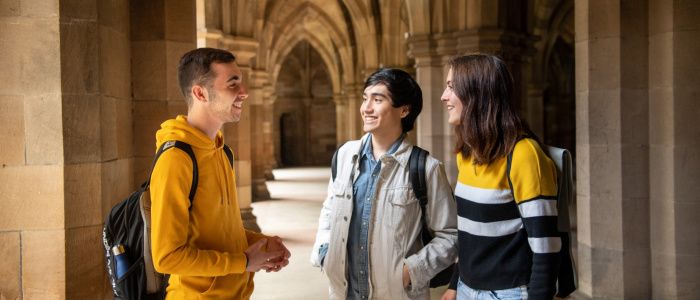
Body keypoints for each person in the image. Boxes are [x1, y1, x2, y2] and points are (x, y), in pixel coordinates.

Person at [149, 47, 291, 299]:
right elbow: (167, 258)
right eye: (232, 84)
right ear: (200, 93)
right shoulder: (176, 158)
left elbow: (220, 232)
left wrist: (261, 244)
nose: (244, 92)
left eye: (241, 82)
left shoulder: (223, 151)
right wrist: (244, 261)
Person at [310, 68, 458, 300]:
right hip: (343, 293)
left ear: (404, 110)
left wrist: (410, 272)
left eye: (377, 100)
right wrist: (324, 252)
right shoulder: (344, 156)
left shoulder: (426, 168)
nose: (366, 108)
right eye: (365, 98)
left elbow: (450, 235)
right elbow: (329, 210)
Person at [439, 54, 560, 300]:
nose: (444, 96)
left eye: (452, 87)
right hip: (466, 289)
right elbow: (468, 233)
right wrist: (455, 284)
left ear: (478, 93)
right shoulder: (467, 153)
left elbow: (546, 251)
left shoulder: (524, 155)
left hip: (508, 294)